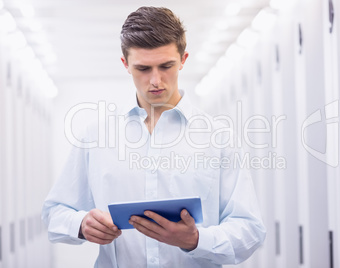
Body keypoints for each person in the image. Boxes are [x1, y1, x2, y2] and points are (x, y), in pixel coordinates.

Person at [42, 6, 266, 268]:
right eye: (143, 69)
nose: (156, 81)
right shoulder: (96, 137)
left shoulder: (219, 138)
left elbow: (250, 229)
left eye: (166, 66)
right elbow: (54, 212)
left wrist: (196, 239)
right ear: (125, 64)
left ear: (183, 59)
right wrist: (80, 224)